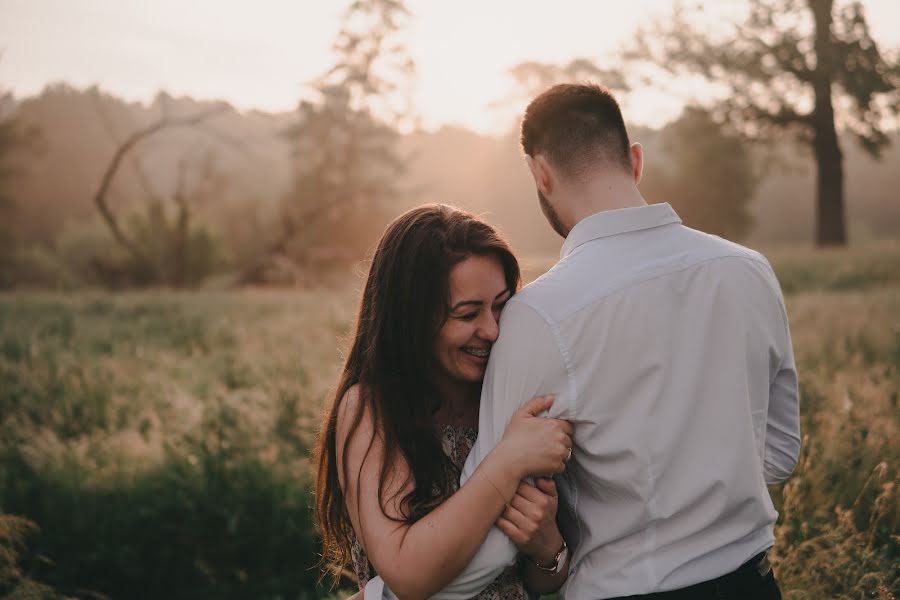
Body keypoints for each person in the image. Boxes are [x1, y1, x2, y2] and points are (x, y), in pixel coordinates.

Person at [403, 83, 801, 599]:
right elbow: (780, 454)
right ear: (635, 160)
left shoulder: (537, 315)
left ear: (540, 173)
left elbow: (498, 527)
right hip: (751, 584)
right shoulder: (749, 271)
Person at [314, 205, 575, 600]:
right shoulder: (374, 411)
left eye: (502, 305)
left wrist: (547, 547)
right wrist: (509, 460)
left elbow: (533, 581)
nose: (491, 329)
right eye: (468, 313)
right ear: (413, 318)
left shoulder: (506, 396)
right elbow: (407, 575)